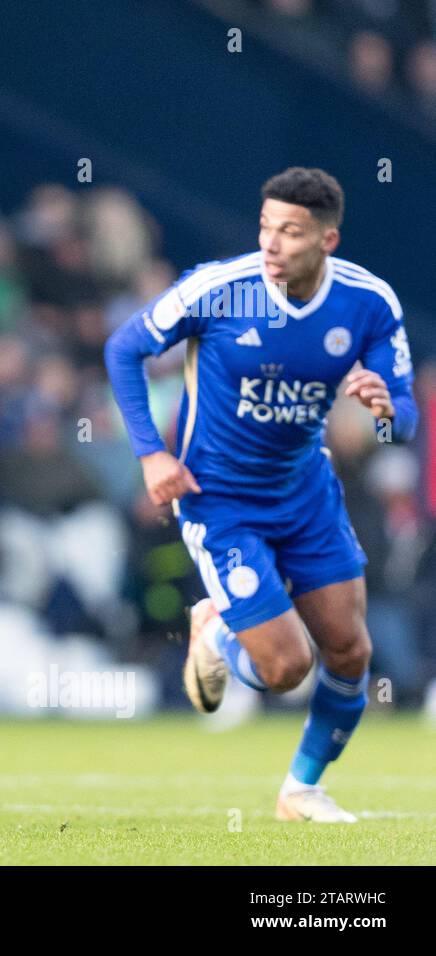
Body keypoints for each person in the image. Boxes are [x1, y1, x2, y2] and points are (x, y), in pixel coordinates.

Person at [105, 167, 417, 822]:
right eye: (266, 227)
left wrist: (388, 412)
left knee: (350, 650)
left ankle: (301, 790)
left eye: (291, 232)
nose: (272, 244)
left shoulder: (368, 302)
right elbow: (124, 348)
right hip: (221, 500)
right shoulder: (221, 289)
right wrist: (151, 453)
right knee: (286, 670)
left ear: (328, 240)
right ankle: (217, 634)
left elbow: (406, 419)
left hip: (306, 494)